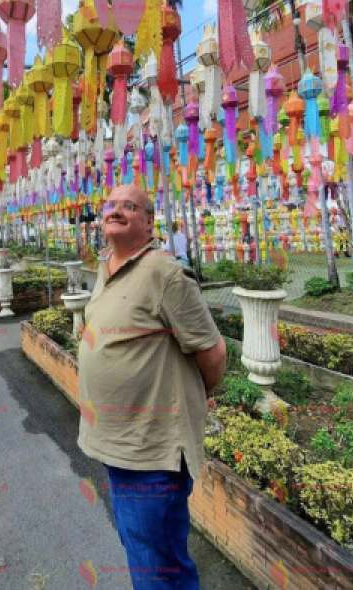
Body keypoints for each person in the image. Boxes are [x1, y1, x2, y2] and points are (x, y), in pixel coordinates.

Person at [78, 184, 228, 590]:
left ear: (148, 222)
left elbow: (212, 353)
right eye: (111, 205)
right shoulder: (107, 268)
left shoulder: (164, 272)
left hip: (152, 452)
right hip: (117, 444)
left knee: (157, 566)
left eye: (130, 206)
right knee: (142, 550)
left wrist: (188, 402)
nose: (117, 211)